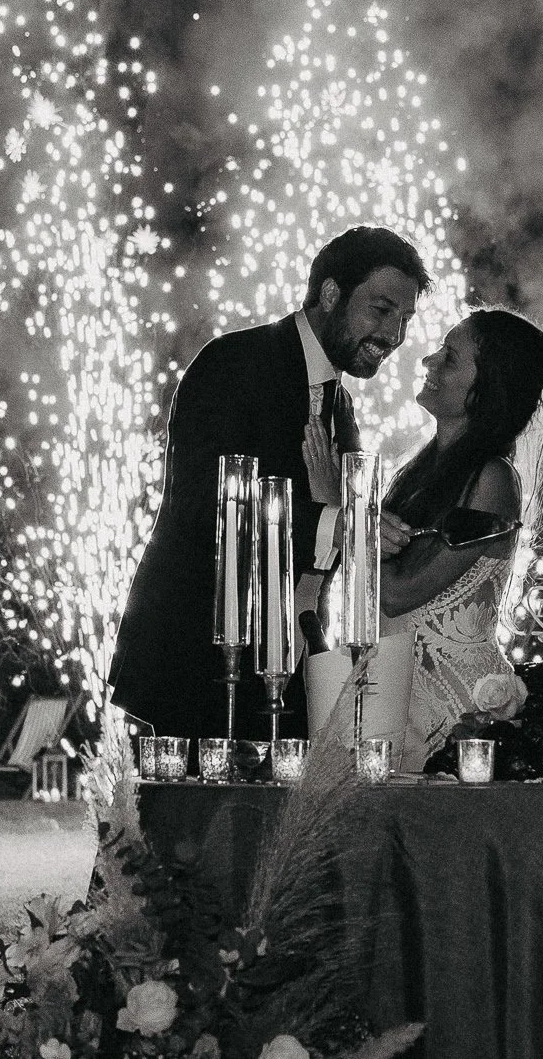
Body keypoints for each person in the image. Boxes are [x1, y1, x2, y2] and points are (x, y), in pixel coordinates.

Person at [108, 226, 431, 738]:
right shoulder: (234, 363)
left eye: (405, 319)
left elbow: (327, 546)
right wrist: (334, 521)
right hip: (196, 666)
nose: (394, 336)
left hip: (292, 669)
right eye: (381, 309)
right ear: (330, 293)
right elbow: (207, 503)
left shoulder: (339, 403)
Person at [374, 309, 543, 770]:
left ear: (486, 389)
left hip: (450, 707)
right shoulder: (422, 471)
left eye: (450, 358)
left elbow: (398, 594)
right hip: (396, 686)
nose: (429, 361)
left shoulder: (492, 481)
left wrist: (351, 520)